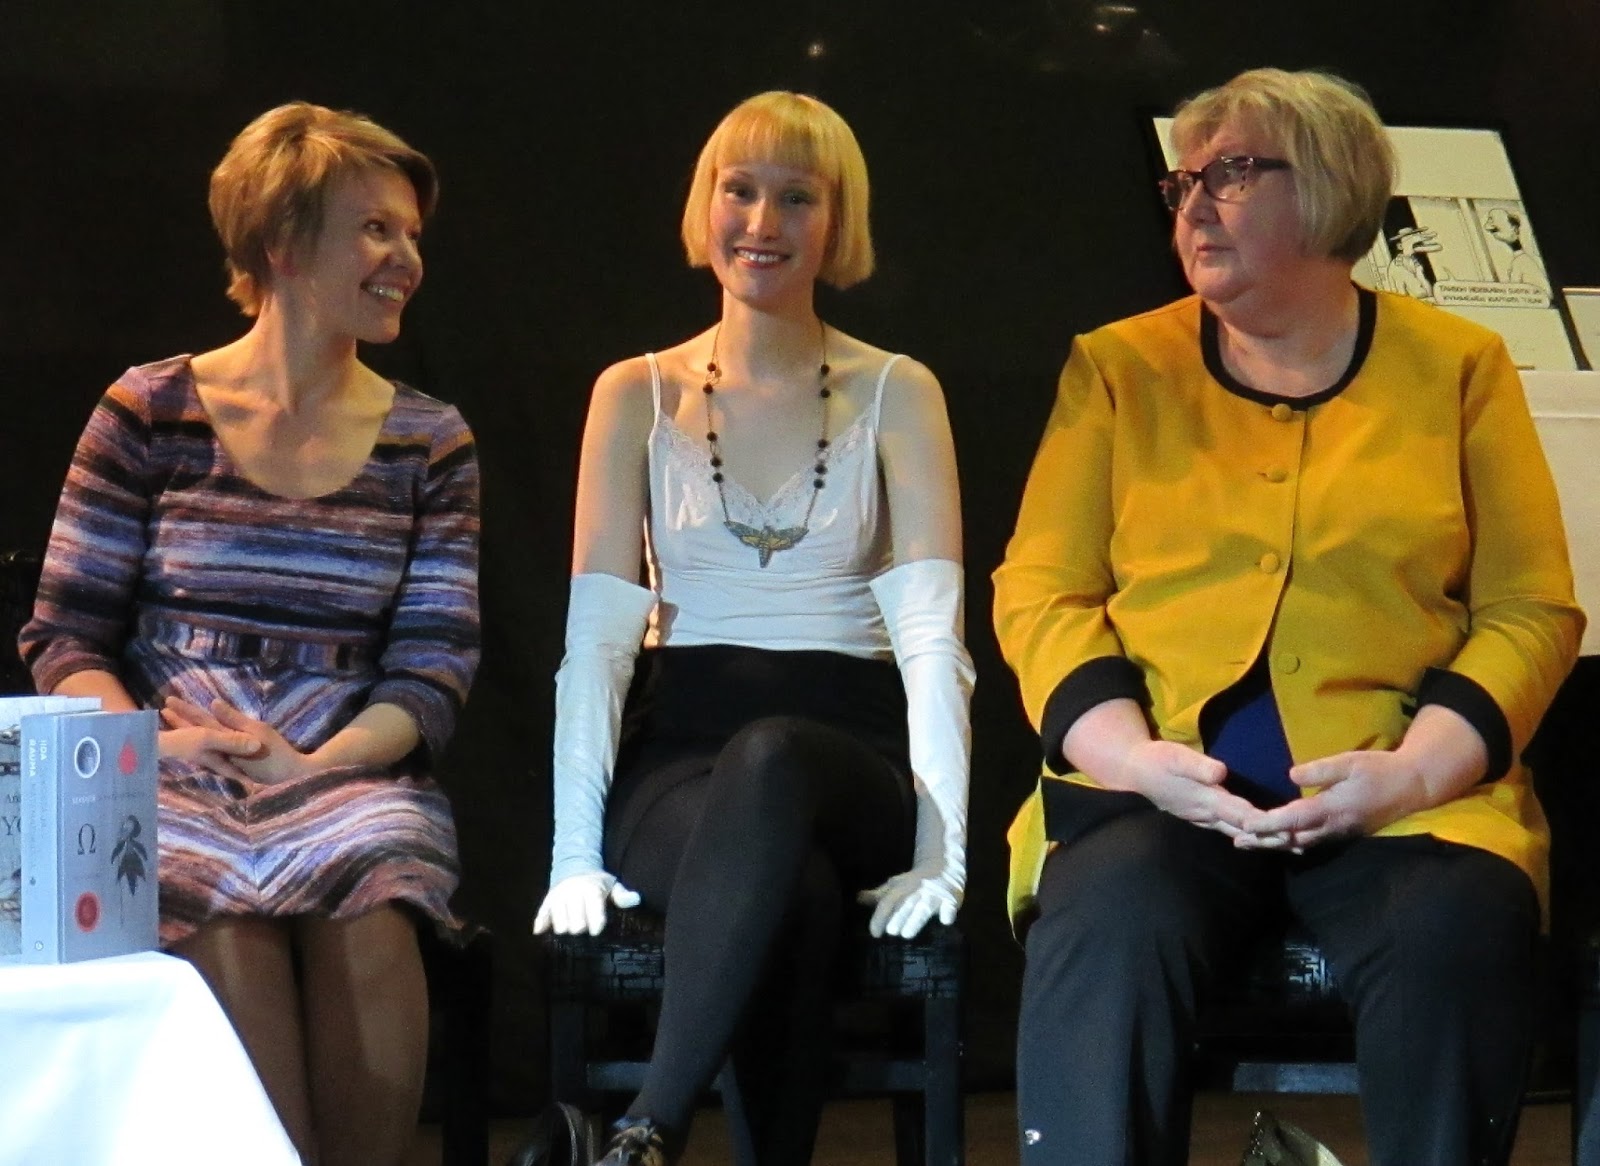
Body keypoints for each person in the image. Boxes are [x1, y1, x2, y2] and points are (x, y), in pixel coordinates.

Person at [993, 67, 1583, 1166]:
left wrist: (1413, 774)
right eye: (1182, 183)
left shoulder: (1460, 368)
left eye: (1229, 174)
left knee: (1452, 926)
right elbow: (1042, 592)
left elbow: (1530, 609)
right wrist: (1133, 759)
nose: (1193, 206)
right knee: (1109, 918)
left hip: (1402, 798)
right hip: (1160, 793)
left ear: (1327, 189)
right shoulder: (1118, 368)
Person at [19, 102, 480, 1166]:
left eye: (412, 235)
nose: (406, 260)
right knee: (206, 896)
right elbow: (66, 636)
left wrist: (317, 764)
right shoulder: (148, 410)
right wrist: (151, 746)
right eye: (375, 230)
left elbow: (433, 664)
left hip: (347, 763)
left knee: (376, 876)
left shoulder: (430, 441)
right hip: (174, 763)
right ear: (282, 243)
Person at [532, 90, 972, 1166]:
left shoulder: (899, 391)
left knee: (773, 758)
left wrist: (941, 851)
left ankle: (646, 1127)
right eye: (741, 189)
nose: (762, 222)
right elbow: (597, 643)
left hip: (847, 756)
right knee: (797, 893)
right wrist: (572, 851)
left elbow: (932, 643)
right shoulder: (633, 393)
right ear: (705, 202)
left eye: (796, 197)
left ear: (838, 220)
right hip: (678, 760)